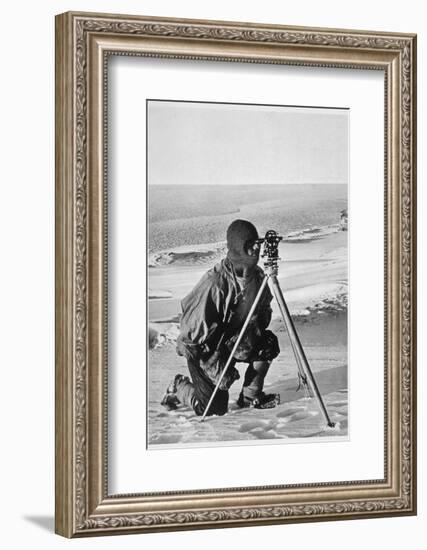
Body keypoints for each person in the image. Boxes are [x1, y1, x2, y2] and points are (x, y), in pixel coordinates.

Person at [161, 219, 280, 416]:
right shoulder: (215, 284)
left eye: (257, 244)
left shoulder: (259, 276)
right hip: (208, 348)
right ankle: (179, 387)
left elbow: (264, 313)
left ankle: (250, 397)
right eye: (250, 245)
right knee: (213, 410)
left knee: (267, 343)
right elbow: (190, 331)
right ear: (238, 248)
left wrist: (251, 333)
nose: (256, 250)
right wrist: (205, 361)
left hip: (237, 340)